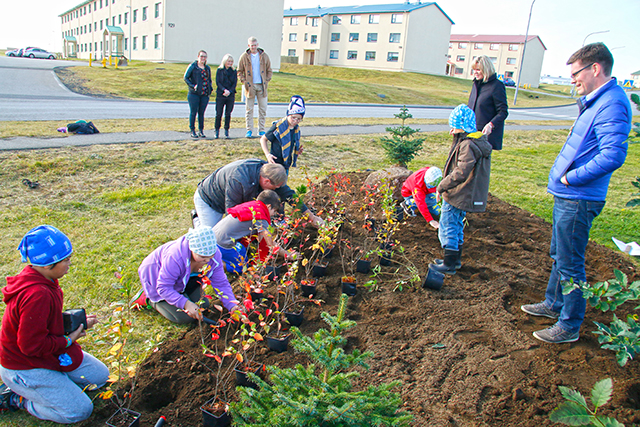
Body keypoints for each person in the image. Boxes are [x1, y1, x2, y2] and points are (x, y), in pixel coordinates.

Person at [520, 43, 631, 344]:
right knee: (560, 254)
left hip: (580, 197)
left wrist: (571, 178)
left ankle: (568, 325)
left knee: (570, 262)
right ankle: (553, 302)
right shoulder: (598, 100)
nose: (572, 79)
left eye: (575, 73)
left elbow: (613, 155)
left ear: (595, 68)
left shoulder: (612, 103)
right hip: (570, 195)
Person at [0, 225, 109, 423]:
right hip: (24, 365)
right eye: (65, 260)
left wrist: (79, 323)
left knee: (99, 377)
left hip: (47, 352)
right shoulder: (36, 295)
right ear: (46, 264)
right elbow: (30, 346)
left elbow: (44, 322)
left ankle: (57, 387)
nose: (69, 264)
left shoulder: (45, 280)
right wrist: (69, 339)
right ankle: (18, 398)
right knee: (80, 411)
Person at [429, 105, 492, 275]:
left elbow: (460, 172)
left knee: (448, 224)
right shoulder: (475, 141)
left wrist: (442, 186)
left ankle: (448, 264)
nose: (451, 130)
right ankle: (454, 260)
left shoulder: (467, 145)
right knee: (456, 225)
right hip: (465, 194)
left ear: (462, 127)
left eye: (454, 126)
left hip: (458, 194)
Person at [134, 226, 241, 324]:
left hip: (184, 279)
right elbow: (163, 287)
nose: (207, 260)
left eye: (210, 256)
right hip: (157, 280)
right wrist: (186, 304)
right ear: (192, 250)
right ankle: (147, 297)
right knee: (185, 317)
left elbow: (221, 282)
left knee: (203, 305)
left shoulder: (214, 255)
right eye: (203, 257)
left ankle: (181, 291)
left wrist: (232, 305)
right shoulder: (175, 258)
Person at [193, 158, 323, 228]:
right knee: (210, 236)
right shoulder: (239, 181)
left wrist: (313, 218)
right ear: (267, 181)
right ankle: (197, 219)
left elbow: (290, 196)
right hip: (210, 199)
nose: (277, 189)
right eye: (276, 187)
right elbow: (231, 213)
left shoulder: (268, 172)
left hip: (227, 194)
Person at [213, 190, 297, 274]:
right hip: (223, 243)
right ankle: (213, 263)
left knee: (242, 251)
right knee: (242, 268)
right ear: (268, 206)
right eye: (274, 211)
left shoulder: (253, 206)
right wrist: (287, 255)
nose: (273, 214)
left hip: (214, 236)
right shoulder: (260, 215)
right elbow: (270, 243)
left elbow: (261, 239)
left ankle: (218, 257)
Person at [467, 55, 508, 151]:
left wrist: (491, 124)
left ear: (486, 69)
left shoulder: (497, 86)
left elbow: (503, 112)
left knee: (480, 165)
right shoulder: (476, 84)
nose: (475, 73)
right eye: (474, 70)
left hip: (485, 136)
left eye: (478, 70)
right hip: (471, 133)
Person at [237, 36, 272, 138]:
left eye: (255, 45)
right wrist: (244, 81)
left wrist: (266, 79)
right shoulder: (244, 57)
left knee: (262, 109)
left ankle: (261, 130)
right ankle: (249, 130)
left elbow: (269, 70)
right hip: (250, 86)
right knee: (249, 109)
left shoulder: (264, 56)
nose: (254, 47)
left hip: (262, 86)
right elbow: (239, 71)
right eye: (252, 45)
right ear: (249, 46)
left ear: (258, 45)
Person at [260, 95, 305, 172]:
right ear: (288, 114)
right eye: (293, 117)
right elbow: (263, 139)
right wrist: (268, 155)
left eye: (299, 119)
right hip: (274, 163)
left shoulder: (296, 129)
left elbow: (289, 147)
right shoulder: (278, 127)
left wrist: (297, 151)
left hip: (286, 164)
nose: (295, 121)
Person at [184, 50, 213, 139]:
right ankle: (192, 130)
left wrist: (210, 88)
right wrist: (193, 86)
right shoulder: (193, 66)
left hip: (204, 94)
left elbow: (209, 79)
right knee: (194, 112)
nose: (203, 58)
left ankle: (201, 130)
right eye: (201, 56)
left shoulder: (207, 68)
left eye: (205, 56)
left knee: (201, 113)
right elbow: (186, 78)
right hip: (194, 94)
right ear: (198, 57)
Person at [215, 54, 237, 140]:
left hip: (230, 95)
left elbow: (234, 83)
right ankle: (217, 130)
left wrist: (230, 91)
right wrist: (224, 90)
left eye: (231, 61)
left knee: (228, 113)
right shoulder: (219, 70)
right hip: (221, 94)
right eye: (228, 61)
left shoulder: (234, 71)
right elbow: (218, 82)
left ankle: (226, 130)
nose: (230, 63)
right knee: (219, 113)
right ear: (225, 61)